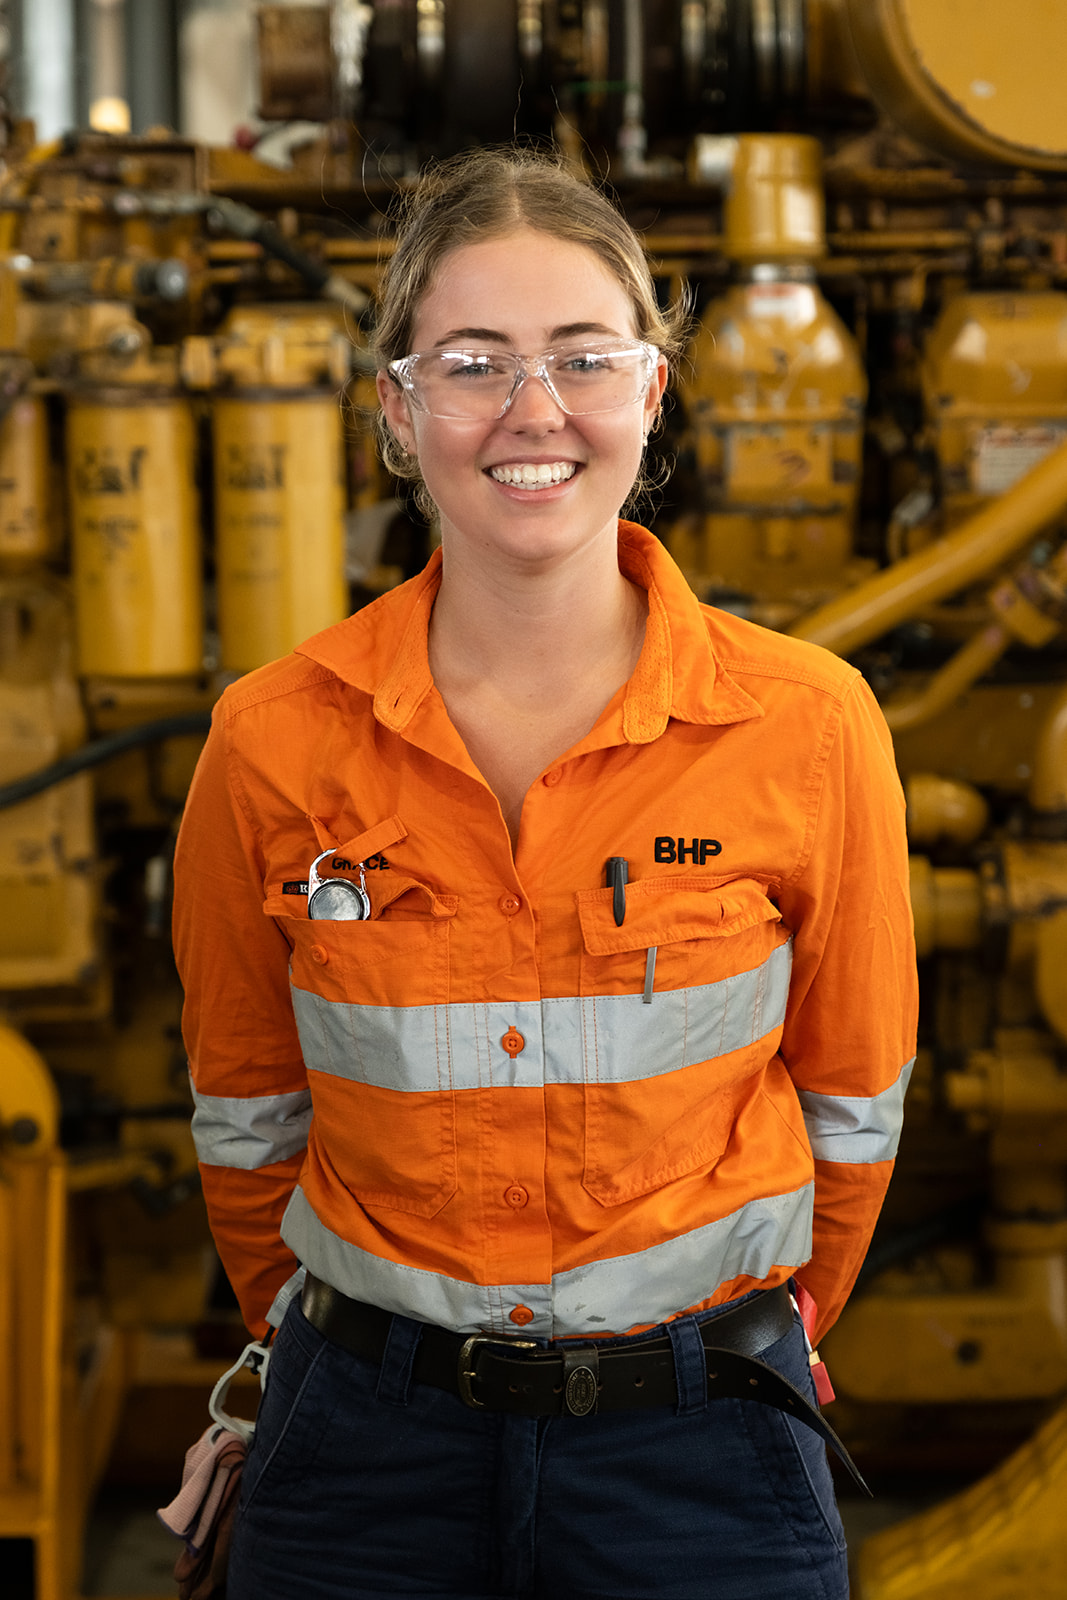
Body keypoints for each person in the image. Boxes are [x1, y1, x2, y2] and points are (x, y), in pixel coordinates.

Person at [172, 145, 918, 1600]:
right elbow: (246, 1111)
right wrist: (326, 1356)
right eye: (474, 362)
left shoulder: (811, 729)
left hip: (703, 1461)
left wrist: (752, 1333)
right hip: (359, 1468)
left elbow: (853, 1103)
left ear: (652, 390)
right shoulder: (268, 744)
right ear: (400, 407)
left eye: (584, 359)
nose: (534, 414)